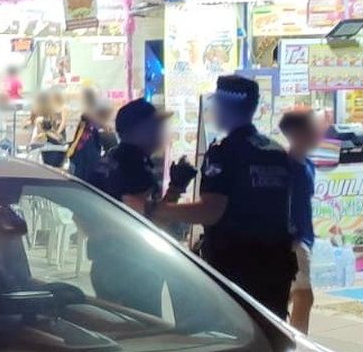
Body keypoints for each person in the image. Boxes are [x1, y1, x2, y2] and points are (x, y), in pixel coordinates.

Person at [161, 75, 296, 318]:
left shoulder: (224, 152)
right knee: (272, 336)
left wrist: (156, 210)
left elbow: (211, 211)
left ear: (225, 107)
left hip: (236, 265)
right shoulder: (275, 151)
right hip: (276, 264)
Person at [87, 99, 189, 314]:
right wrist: (176, 190)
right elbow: (142, 215)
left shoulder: (110, 158)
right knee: (141, 331)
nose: (160, 132)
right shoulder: (135, 163)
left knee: (117, 327)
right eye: (155, 126)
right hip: (133, 265)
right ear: (140, 129)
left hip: (106, 260)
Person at [280, 109, 321, 333]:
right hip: (294, 239)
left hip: (303, 237)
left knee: (287, 294)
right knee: (304, 296)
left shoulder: (306, 164)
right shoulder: (286, 166)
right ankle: (298, 344)